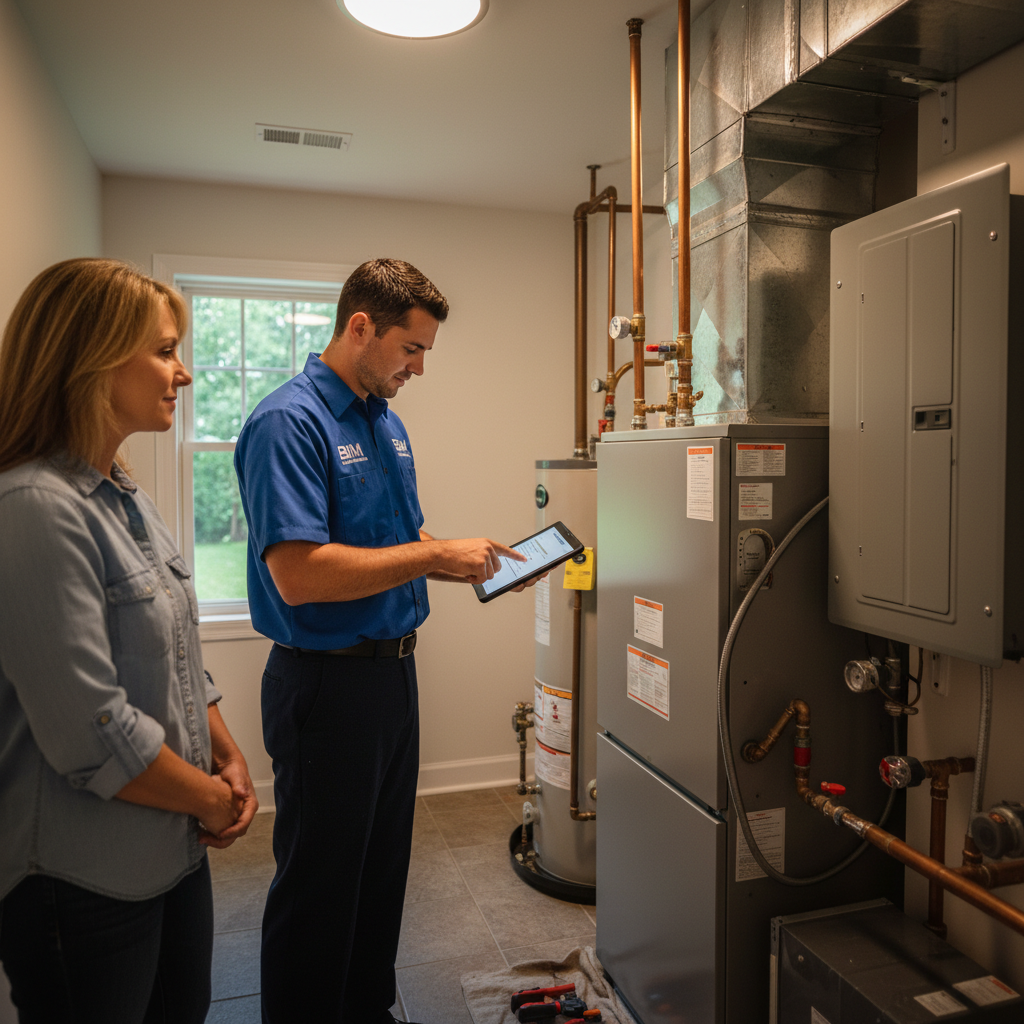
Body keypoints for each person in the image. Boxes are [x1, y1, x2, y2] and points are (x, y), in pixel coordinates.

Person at [235, 258, 536, 1024]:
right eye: (412, 349)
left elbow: (394, 543)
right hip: (324, 685)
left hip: (392, 681)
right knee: (319, 885)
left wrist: (470, 562)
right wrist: (436, 554)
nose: (419, 369)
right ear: (360, 326)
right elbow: (299, 574)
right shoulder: (288, 422)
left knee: (377, 874)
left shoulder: (385, 422)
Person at [0, 258, 258, 1024]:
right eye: (164, 350)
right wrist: (212, 798)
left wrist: (228, 752)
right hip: (83, 879)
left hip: (170, 853)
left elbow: (179, 651)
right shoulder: (34, 507)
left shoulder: (124, 494)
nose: (181, 373)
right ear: (91, 357)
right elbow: (91, 730)